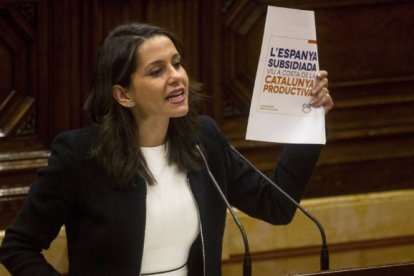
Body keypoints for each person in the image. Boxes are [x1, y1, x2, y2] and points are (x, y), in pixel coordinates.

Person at [0, 22, 333, 275]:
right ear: (123, 95)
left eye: (177, 63)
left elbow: (277, 206)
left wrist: (308, 121)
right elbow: (19, 246)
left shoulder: (203, 140)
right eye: (157, 71)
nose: (176, 77)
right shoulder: (79, 155)